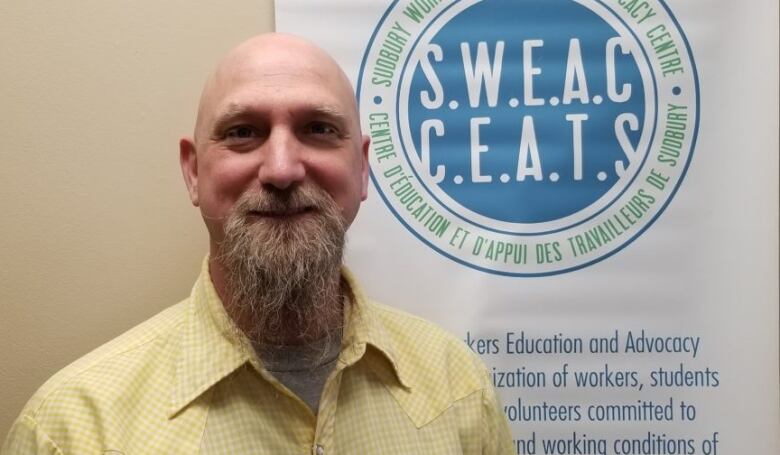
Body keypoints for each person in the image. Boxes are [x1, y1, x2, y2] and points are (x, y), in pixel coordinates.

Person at [2, 33, 512, 454]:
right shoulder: (72, 431)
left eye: (318, 128)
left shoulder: (459, 389)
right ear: (193, 171)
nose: (283, 169)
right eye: (244, 131)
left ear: (362, 169)